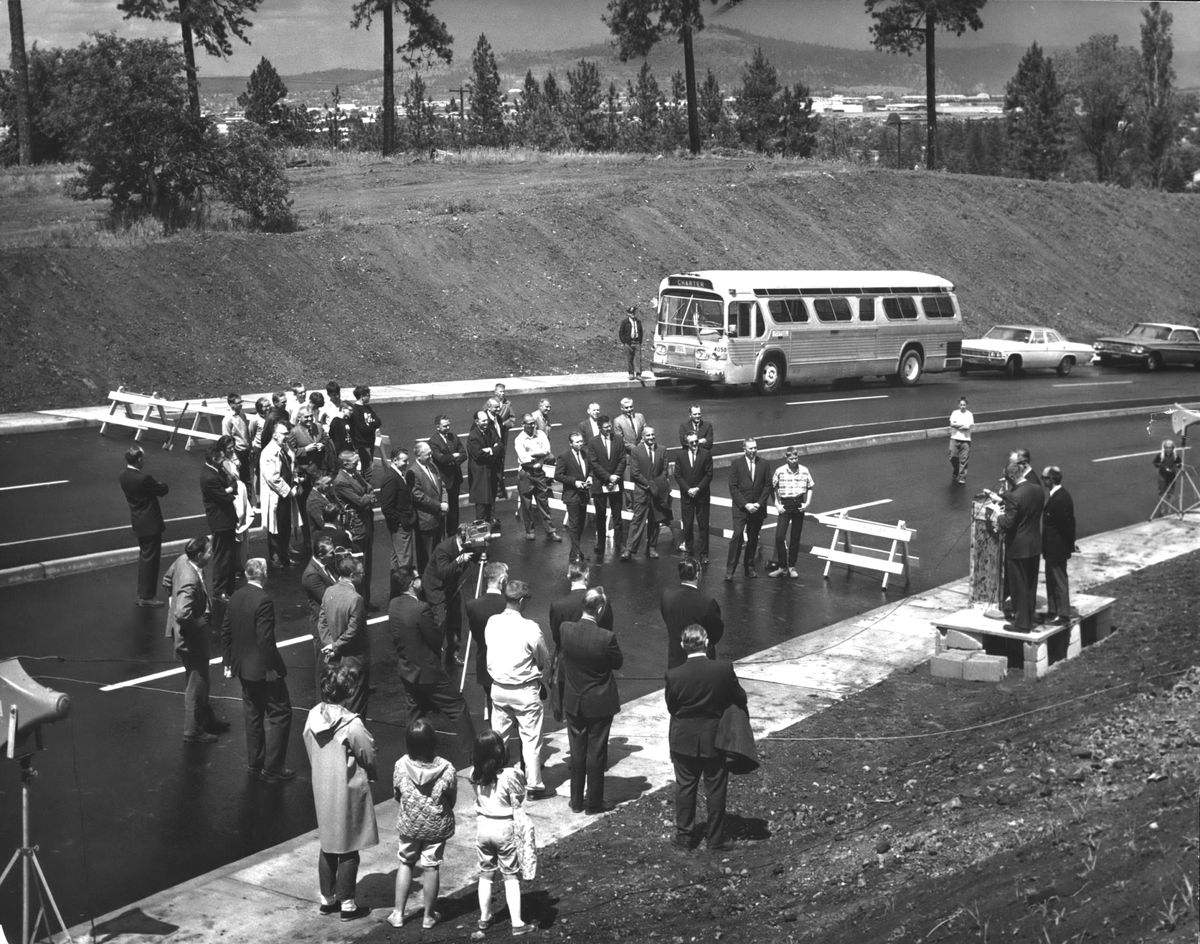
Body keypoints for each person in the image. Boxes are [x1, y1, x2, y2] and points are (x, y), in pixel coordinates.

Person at [303, 663, 379, 922]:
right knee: (349, 847)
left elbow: (309, 745)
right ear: (347, 690)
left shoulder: (312, 716)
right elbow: (367, 751)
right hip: (346, 788)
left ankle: (327, 899)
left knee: (328, 844)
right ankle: (348, 903)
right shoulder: (351, 723)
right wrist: (372, 772)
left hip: (322, 785)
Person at [665, 625, 748, 852]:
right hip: (715, 738)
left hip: (683, 738)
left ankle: (684, 836)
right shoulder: (722, 669)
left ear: (683, 645)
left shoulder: (673, 674)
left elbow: (672, 707)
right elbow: (740, 697)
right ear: (707, 642)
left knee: (685, 787)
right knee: (716, 788)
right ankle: (715, 838)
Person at [389, 565, 477, 768]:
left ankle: (413, 755)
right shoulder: (420, 609)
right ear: (412, 584)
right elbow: (435, 639)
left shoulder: (393, 605)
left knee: (415, 712)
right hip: (428, 672)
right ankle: (474, 755)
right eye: (417, 578)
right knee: (456, 707)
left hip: (407, 670)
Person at [221, 558, 294, 782]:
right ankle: (273, 767)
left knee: (253, 714)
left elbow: (226, 630)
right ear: (262, 575)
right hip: (262, 669)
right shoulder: (263, 600)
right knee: (281, 714)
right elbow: (265, 640)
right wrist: (272, 668)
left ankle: (256, 761)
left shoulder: (236, 596)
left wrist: (228, 662)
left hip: (243, 667)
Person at [388, 719, 457, 930]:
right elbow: (451, 799)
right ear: (433, 742)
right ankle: (428, 916)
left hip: (409, 824)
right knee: (431, 866)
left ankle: (398, 913)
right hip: (436, 825)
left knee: (406, 863)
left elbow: (397, 795)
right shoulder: (447, 768)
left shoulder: (400, 765)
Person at [559, 587, 623, 814]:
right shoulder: (606, 637)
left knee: (577, 751)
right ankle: (594, 802)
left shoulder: (565, 629)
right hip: (598, 701)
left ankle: (576, 800)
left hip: (574, 699)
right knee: (596, 752)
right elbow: (617, 663)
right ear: (600, 609)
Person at [485, 580, 550, 798]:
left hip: (499, 688)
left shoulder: (492, 622)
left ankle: (493, 777)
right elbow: (542, 657)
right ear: (521, 601)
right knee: (531, 739)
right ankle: (533, 785)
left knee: (498, 737)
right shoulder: (529, 627)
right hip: (523, 690)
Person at [163, 535, 228, 742]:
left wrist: (173, 601)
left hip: (191, 635)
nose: (212, 554)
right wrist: (198, 622)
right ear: (199, 556)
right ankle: (192, 730)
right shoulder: (190, 580)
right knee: (196, 681)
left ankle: (206, 718)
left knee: (202, 678)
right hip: (192, 638)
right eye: (209, 551)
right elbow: (182, 613)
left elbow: (167, 580)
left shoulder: (183, 560)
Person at [469, 730, 533, 939]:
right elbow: (520, 795)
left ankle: (485, 917)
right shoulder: (509, 775)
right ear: (500, 752)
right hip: (504, 827)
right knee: (510, 874)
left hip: (483, 827)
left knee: (486, 873)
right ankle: (517, 922)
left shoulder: (474, 775)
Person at [990, 453, 1045, 633]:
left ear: (1012, 477)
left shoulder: (1015, 496)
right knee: (1030, 585)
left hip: (1018, 547)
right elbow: (1022, 502)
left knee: (1018, 586)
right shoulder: (1037, 489)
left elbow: (1008, 522)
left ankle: (1021, 624)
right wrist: (1003, 497)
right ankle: (1028, 619)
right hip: (1034, 545)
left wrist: (997, 514)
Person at [317, 555, 371, 716]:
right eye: (361, 574)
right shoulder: (356, 599)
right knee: (355, 707)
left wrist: (330, 645)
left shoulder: (328, 591)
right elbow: (353, 631)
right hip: (354, 659)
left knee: (336, 704)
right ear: (353, 576)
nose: (363, 576)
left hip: (334, 658)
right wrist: (335, 645)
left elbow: (322, 622)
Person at [120, 444, 169, 607]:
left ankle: (144, 593)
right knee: (151, 560)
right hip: (150, 522)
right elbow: (162, 490)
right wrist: (160, 483)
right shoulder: (143, 478)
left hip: (138, 520)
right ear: (139, 459)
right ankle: (147, 596)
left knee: (145, 557)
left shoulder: (124, 476)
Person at [423, 524, 476, 667]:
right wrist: (459, 560)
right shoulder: (443, 549)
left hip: (452, 585)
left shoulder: (467, 544)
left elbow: (477, 558)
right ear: (461, 537)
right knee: (440, 620)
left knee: (456, 620)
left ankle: (453, 653)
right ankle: (433, 656)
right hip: (436, 587)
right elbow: (443, 572)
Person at [333, 449, 377, 608]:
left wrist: (368, 495)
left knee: (368, 566)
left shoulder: (354, 475)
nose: (358, 466)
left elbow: (369, 487)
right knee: (358, 568)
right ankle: (358, 603)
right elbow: (360, 501)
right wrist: (369, 497)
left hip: (365, 524)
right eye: (355, 463)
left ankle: (366, 600)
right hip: (357, 528)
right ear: (345, 464)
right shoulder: (341, 481)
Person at [660, 557, 724, 668]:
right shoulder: (707, 603)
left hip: (675, 658)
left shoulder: (667, 595)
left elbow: (667, 617)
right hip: (701, 661)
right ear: (698, 575)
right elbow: (715, 634)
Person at [466, 561, 509, 721]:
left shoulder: (472, 606)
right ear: (502, 580)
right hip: (507, 665)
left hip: (485, 663)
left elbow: (476, 634)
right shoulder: (507, 605)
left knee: (493, 708)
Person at [623, 425, 673, 560]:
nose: (651, 438)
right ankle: (629, 550)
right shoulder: (636, 451)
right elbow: (635, 473)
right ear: (643, 437)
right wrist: (649, 485)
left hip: (657, 492)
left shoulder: (662, 450)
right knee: (637, 520)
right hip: (642, 491)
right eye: (648, 435)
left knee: (655, 521)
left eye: (653, 435)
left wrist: (657, 485)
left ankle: (651, 547)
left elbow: (664, 470)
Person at [725, 437, 771, 581]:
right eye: (750, 448)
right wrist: (746, 505)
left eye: (755, 448)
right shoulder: (736, 464)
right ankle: (730, 570)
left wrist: (759, 503)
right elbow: (733, 487)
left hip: (757, 508)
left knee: (753, 538)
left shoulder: (764, 464)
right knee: (737, 536)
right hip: (741, 509)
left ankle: (749, 567)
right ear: (744, 449)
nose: (753, 451)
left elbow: (768, 485)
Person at [513, 414, 561, 542]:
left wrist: (533, 454)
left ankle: (550, 531)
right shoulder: (519, 439)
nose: (532, 426)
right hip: (526, 473)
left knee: (544, 502)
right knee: (527, 504)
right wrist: (538, 454)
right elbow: (524, 458)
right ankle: (530, 531)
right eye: (529, 424)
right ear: (523, 424)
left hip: (539, 473)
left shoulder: (541, 434)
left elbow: (547, 451)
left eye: (534, 423)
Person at [291, 403, 331, 558]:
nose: (309, 419)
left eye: (310, 416)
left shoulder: (318, 427)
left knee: (321, 506)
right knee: (307, 510)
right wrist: (304, 450)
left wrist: (322, 445)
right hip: (305, 475)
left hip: (319, 473)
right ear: (299, 418)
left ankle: (323, 538)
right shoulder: (294, 432)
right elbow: (290, 452)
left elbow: (327, 439)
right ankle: (309, 542)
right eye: (305, 417)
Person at [200, 443, 239, 600]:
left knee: (228, 554)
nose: (224, 460)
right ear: (214, 459)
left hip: (226, 519)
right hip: (220, 520)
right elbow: (224, 496)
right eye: (221, 458)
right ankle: (219, 590)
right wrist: (230, 489)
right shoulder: (209, 477)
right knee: (222, 556)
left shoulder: (216, 471)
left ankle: (228, 587)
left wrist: (229, 488)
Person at [768, 446, 815, 579]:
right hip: (785, 505)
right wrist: (777, 504)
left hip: (799, 504)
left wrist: (807, 503)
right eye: (791, 458)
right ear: (786, 458)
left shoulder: (804, 470)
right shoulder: (780, 471)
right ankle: (782, 567)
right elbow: (772, 487)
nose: (794, 461)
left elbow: (810, 486)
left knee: (795, 537)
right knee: (779, 537)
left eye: (796, 458)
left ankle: (791, 567)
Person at [548, 560, 613, 653]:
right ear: (586, 575)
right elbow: (607, 630)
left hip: (569, 656)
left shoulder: (557, 606)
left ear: (568, 576)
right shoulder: (602, 601)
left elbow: (557, 637)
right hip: (596, 654)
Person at [588, 415, 627, 557]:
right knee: (600, 515)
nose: (609, 429)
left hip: (615, 482)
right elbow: (593, 463)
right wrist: (608, 477)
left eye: (609, 426)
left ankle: (619, 543)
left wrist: (615, 476)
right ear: (599, 428)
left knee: (617, 515)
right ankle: (600, 543)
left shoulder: (618, 439)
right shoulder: (593, 442)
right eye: (605, 427)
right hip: (601, 483)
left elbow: (623, 459)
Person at [259, 420, 296, 570]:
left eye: (288, 433)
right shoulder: (268, 453)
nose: (287, 437)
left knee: (285, 526)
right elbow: (272, 478)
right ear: (275, 435)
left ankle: (285, 556)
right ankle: (276, 558)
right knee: (275, 528)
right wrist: (288, 491)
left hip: (284, 496)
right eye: (284, 434)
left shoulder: (283, 450)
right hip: (277, 496)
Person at [1042, 466, 1076, 624]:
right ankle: (1053, 610)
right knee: (1050, 579)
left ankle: (1063, 614)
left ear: (1051, 480)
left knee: (1059, 580)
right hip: (1051, 548)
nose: (1043, 482)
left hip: (1057, 548)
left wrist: (1069, 545)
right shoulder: (1057, 496)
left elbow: (1067, 526)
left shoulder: (1060, 498)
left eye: (1044, 478)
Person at [302, 537, 338, 686]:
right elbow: (328, 598)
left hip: (331, 622)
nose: (334, 555)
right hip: (322, 627)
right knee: (323, 669)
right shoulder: (311, 575)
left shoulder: (325, 565)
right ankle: (321, 702)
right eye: (331, 553)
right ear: (321, 555)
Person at [675, 431, 713, 565]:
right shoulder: (680, 455)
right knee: (688, 524)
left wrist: (698, 489)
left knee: (703, 526)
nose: (695, 444)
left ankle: (704, 554)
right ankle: (689, 551)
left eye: (696, 441)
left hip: (701, 495)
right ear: (686, 443)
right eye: (692, 442)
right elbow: (678, 475)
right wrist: (688, 489)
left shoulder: (706, 454)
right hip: (687, 496)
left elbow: (709, 474)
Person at [409, 441, 448, 572]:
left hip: (439, 516)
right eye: (428, 454)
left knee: (439, 551)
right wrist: (439, 505)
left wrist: (445, 502)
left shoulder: (432, 466)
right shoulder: (413, 472)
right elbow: (418, 495)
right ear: (418, 456)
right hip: (426, 519)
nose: (431, 456)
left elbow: (442, 486)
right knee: (427, 555)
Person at [555, 431, 593, 562]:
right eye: (577, 442)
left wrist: (590, 478)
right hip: (572, 495)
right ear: (571, 444)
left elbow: (591, 469)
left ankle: (574, 551)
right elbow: (558, 475)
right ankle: (576, 553)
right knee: (574, 524)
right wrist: (574, 482)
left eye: (581, 441)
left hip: (583, 494)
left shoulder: (585, 454)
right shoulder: (564, 456)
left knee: (581, 523)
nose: (580, 444)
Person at [380, 447, 418, 574]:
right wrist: (401, 521)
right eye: (404, 461)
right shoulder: (391, 478)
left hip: (400, 525)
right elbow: (386, 507)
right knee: (405, 561)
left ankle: (396, 588)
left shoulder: (398, 475)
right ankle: (405, 588)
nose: (407, 464)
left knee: (397, 559)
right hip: (400, 526)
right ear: (395, 460)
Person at [429, 414, 467, 534]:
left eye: (449, 425)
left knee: (454, 509)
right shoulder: (433, 442)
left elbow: (463, 454)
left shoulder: (453, 436)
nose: (448, 427)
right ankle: (442, 535)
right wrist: (454, 456)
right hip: (444, 480)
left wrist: (452, 459)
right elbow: (440, 459)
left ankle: (453, 533)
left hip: (455, 478)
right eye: (445, 426)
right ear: (438, 427)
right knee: (443, 508)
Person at [468, 410, 503, 533]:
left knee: (490, 503)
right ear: (477, 422)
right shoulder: (473, 436)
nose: (486, 422)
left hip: (490, 474)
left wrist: (490, 450)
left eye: (486, 420)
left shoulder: (490, 432)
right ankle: (480, 533)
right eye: (483, 421)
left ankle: (487, 530)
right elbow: (478, 455)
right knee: (482, 506)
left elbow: (500, 446)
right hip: (480, 476)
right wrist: (492, 450)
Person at [221, 392, 252, 494]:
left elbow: (245, 434)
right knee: (239, 481)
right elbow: (226, 441)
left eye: (241, 402)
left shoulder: (242, 415)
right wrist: (234, 458)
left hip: (245, 451)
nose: (241, 405)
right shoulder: (228, 420)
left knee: (247, 480)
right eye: (238, 403)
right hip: (237, 453)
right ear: (231, 404)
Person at [348, 385, 382, 473]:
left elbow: (378, 422)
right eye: (368, 395)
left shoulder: (368, 408)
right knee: (366, 468)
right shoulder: (356, 410)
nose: (369, 397)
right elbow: (362, 428)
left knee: (369, 465)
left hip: (370, 442)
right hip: (362, 444)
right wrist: (372, 425)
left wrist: (370, 425)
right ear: (362, 396)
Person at [948, 397, 973, 485]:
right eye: (961, 405)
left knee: (964, 459)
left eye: (964, 405)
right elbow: (952, 424)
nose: (963, 406)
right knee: (952, 457)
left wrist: (957, 425)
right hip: (954, 438)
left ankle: (962, 477)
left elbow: (967, 427)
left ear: (967, 405)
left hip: (966, 440)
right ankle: (956, 469)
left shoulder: (969, 414)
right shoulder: (954, 413)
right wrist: (962, 425)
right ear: (959, 405)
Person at [618, 304, 644, 380]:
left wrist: (640, 341)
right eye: (631, 313)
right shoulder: (625, 322)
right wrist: (624, 342)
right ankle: (631, 373)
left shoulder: (638, 322)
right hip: (629, 343)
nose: (633, 314)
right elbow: (621, 332)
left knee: (638, 359)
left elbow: (641, 332)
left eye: (634, 313)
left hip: (637, 342)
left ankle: (638, 374)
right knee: (629, 359)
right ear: (628, 314)